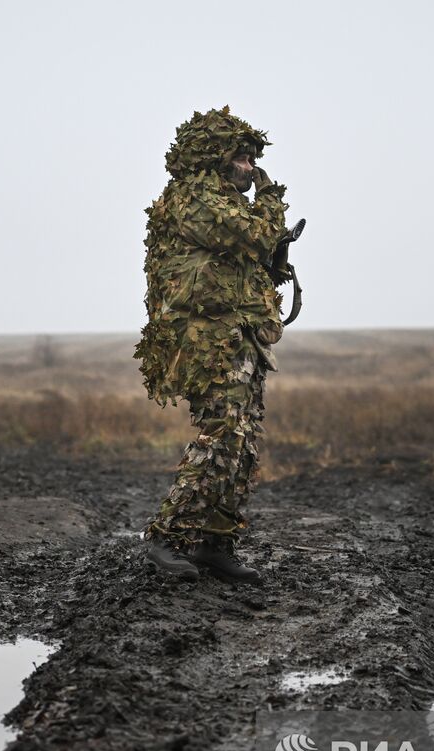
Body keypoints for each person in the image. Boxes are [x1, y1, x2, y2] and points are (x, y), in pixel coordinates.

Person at [133, 106, 298, 583]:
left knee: (241, 442)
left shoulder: (221, 202)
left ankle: (213, 543)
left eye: (254, 159)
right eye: (242, 158)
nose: (251, 168)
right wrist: (270, 198)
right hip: (207, 340)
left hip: (237, 337)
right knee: (221, 435)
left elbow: (249, 256)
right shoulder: (194, 198)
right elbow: (251, 233)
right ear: (213, 158)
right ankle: (165, 538)